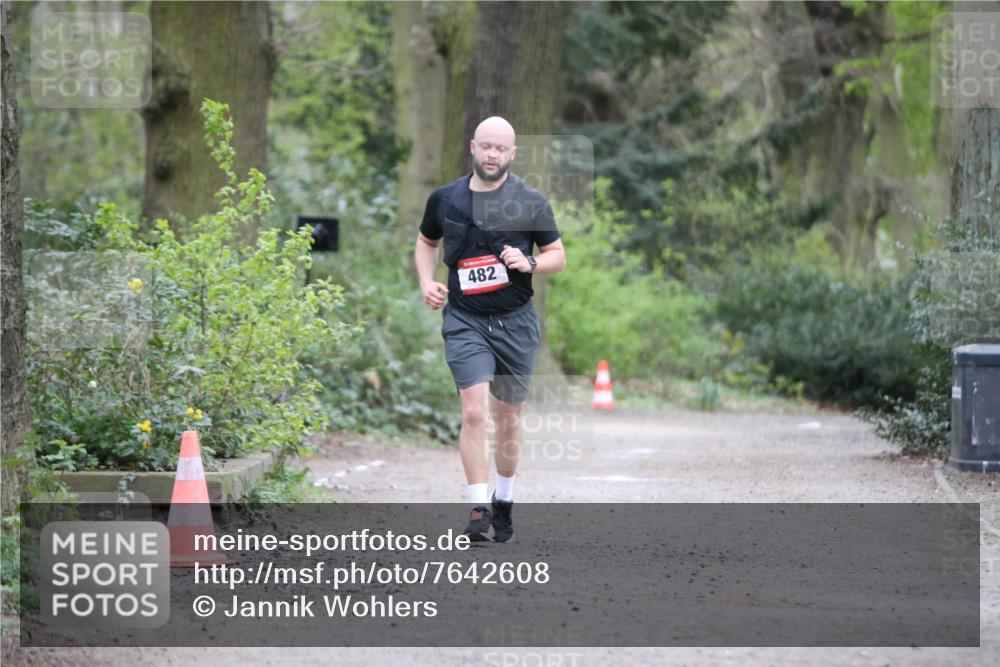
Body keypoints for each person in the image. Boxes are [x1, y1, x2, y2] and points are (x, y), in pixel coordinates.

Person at [414, 116, 566, 541]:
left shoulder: (531, 201)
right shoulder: (444, 199)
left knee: (509, 418)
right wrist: (427, 282)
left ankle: (505, 498)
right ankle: (478, 510)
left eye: (501, 148)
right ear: (472, 147)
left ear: (513, 154)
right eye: (486, 146)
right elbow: (426, 242)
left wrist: (530, 262)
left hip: (516, 322)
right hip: (465, 319)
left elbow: (558, 255)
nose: (492, 154)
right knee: (474, 411)